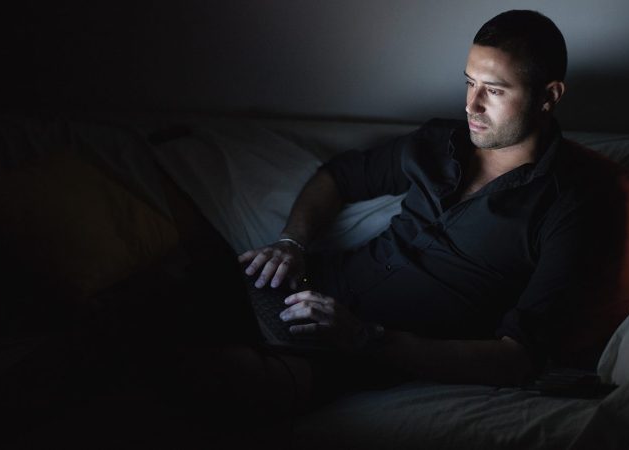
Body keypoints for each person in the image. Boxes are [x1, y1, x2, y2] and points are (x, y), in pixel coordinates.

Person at [238, 9, 592, 395]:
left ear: (548, 96)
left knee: (231, 376)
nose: (472, 106)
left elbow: (518, 357)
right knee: (173, 294)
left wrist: (365, 337)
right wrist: (292, 242)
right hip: (307, 285)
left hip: (364, 353)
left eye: (493, 90)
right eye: (469, 83)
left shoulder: (565, 208)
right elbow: (340, 176)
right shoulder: (438, 142)